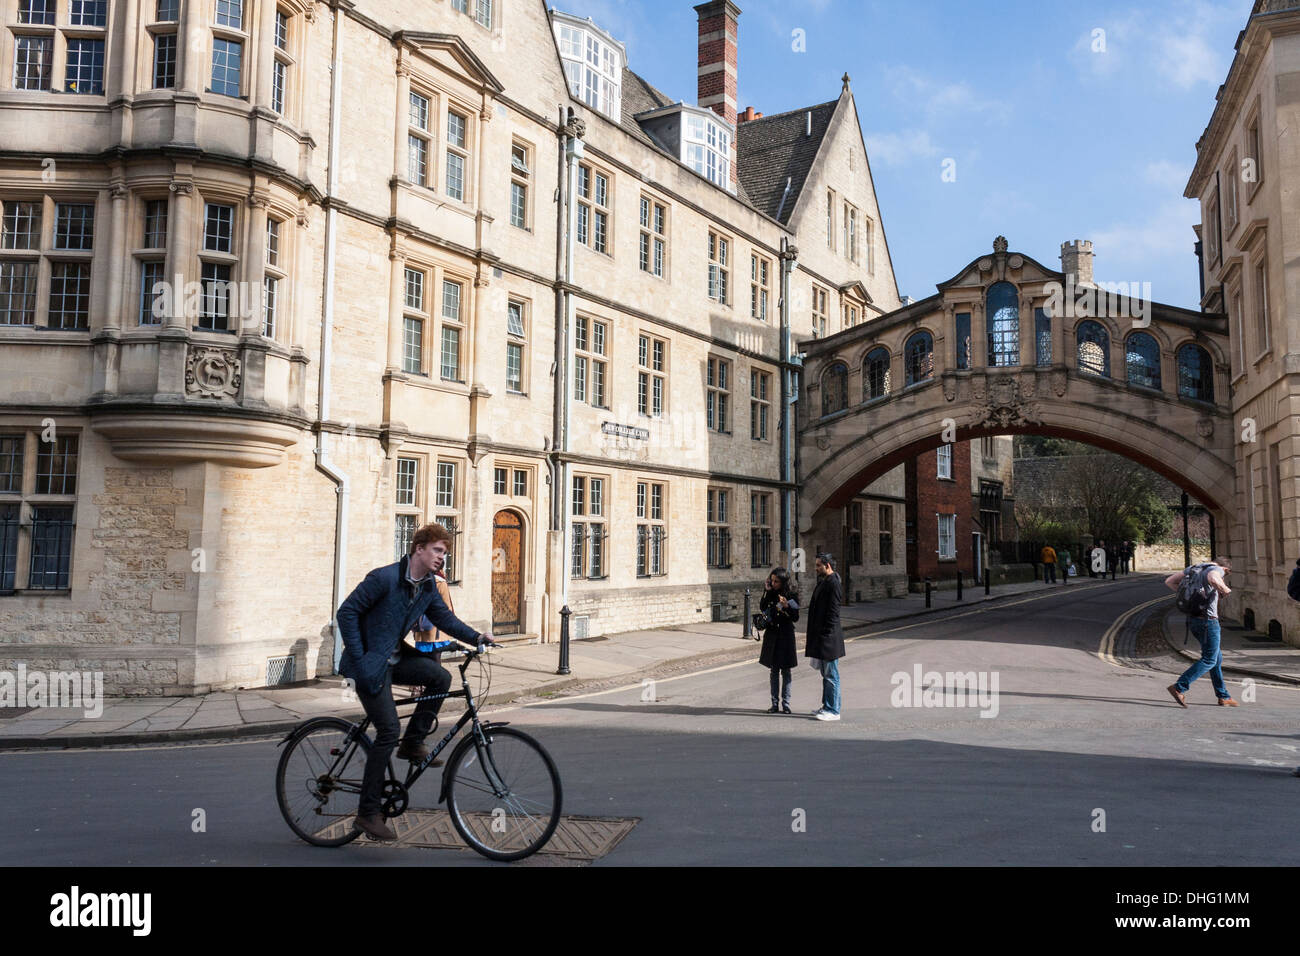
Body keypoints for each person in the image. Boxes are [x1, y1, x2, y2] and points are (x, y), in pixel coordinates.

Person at [336, 522, 494, 842]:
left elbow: (444, 619)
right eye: (437, 550)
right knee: (387, 730)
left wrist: (477, 636)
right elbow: (346, 613)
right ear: (418, 548)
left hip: (393, 659)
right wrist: (361, 656)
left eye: (445, 552)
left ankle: (412, 744)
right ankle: (367, 814)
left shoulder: (426, 587)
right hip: (366, 666)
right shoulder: (383, 578)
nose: (441, 557)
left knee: (439, 677)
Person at [1164, 558, 1238, 708]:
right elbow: (1213, 578)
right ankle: (1179, 687)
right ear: (1225, 569)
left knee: (1216, 659)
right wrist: (1225, 589)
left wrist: (1189, 599)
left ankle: (1223, 696)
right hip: (1208, 622)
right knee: (1210, 659)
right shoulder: (1216, 570)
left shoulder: (1193, 568)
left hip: (1193, 620)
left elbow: (1169, 581)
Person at [805, 553, 845, 721]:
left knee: (831, 675)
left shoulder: (833, 583)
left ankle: (833, 710)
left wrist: (826, 634)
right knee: (826, 674)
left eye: (818, 565)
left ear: (827, 565)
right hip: (823, 637)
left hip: (829, 638)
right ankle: (826, 706)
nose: (816, 568)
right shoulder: (825, 582)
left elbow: (834, 612)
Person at [757, 568, 800, 714]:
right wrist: (766, 590)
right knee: (773, 670)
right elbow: (762, 607)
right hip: (772, 635)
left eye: (776, 581)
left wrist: (787, 606)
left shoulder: (791, 595)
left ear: (783, 582)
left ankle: (786, 704)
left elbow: (795, 617)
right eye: (772, 580)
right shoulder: (770, 593)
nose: (774, 583)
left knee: (786, 671)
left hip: (786, 635)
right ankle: (774, 703)